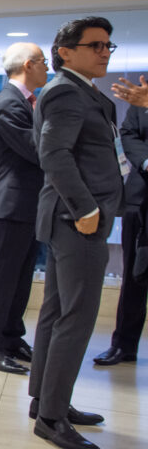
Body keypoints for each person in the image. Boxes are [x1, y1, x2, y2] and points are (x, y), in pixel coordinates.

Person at [29, 16, 123, 449]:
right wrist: (85, 209)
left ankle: (47, 402)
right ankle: (52, 417)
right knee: (76, 317)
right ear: (65, 52)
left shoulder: (81, 90)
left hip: (71, 218)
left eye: (108, 45)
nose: (104, 51)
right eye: (95, 45)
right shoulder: (67, 91)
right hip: (77, 220)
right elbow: (54, 153)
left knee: (56, 312)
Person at [0, 43, 48, 374]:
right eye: (44, 63)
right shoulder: (8, 104)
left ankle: (11, 337)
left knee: (20, 277)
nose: (48, 68)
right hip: (10, 203)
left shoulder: (25, 101)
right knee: (3, 279)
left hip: (28, 203)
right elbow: (37, 149)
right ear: (28, 65)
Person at [96, 89, 148, 366]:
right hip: (140, 197)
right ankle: (124, 346)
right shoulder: (142, 99)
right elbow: (128, 134)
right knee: (132, 277)